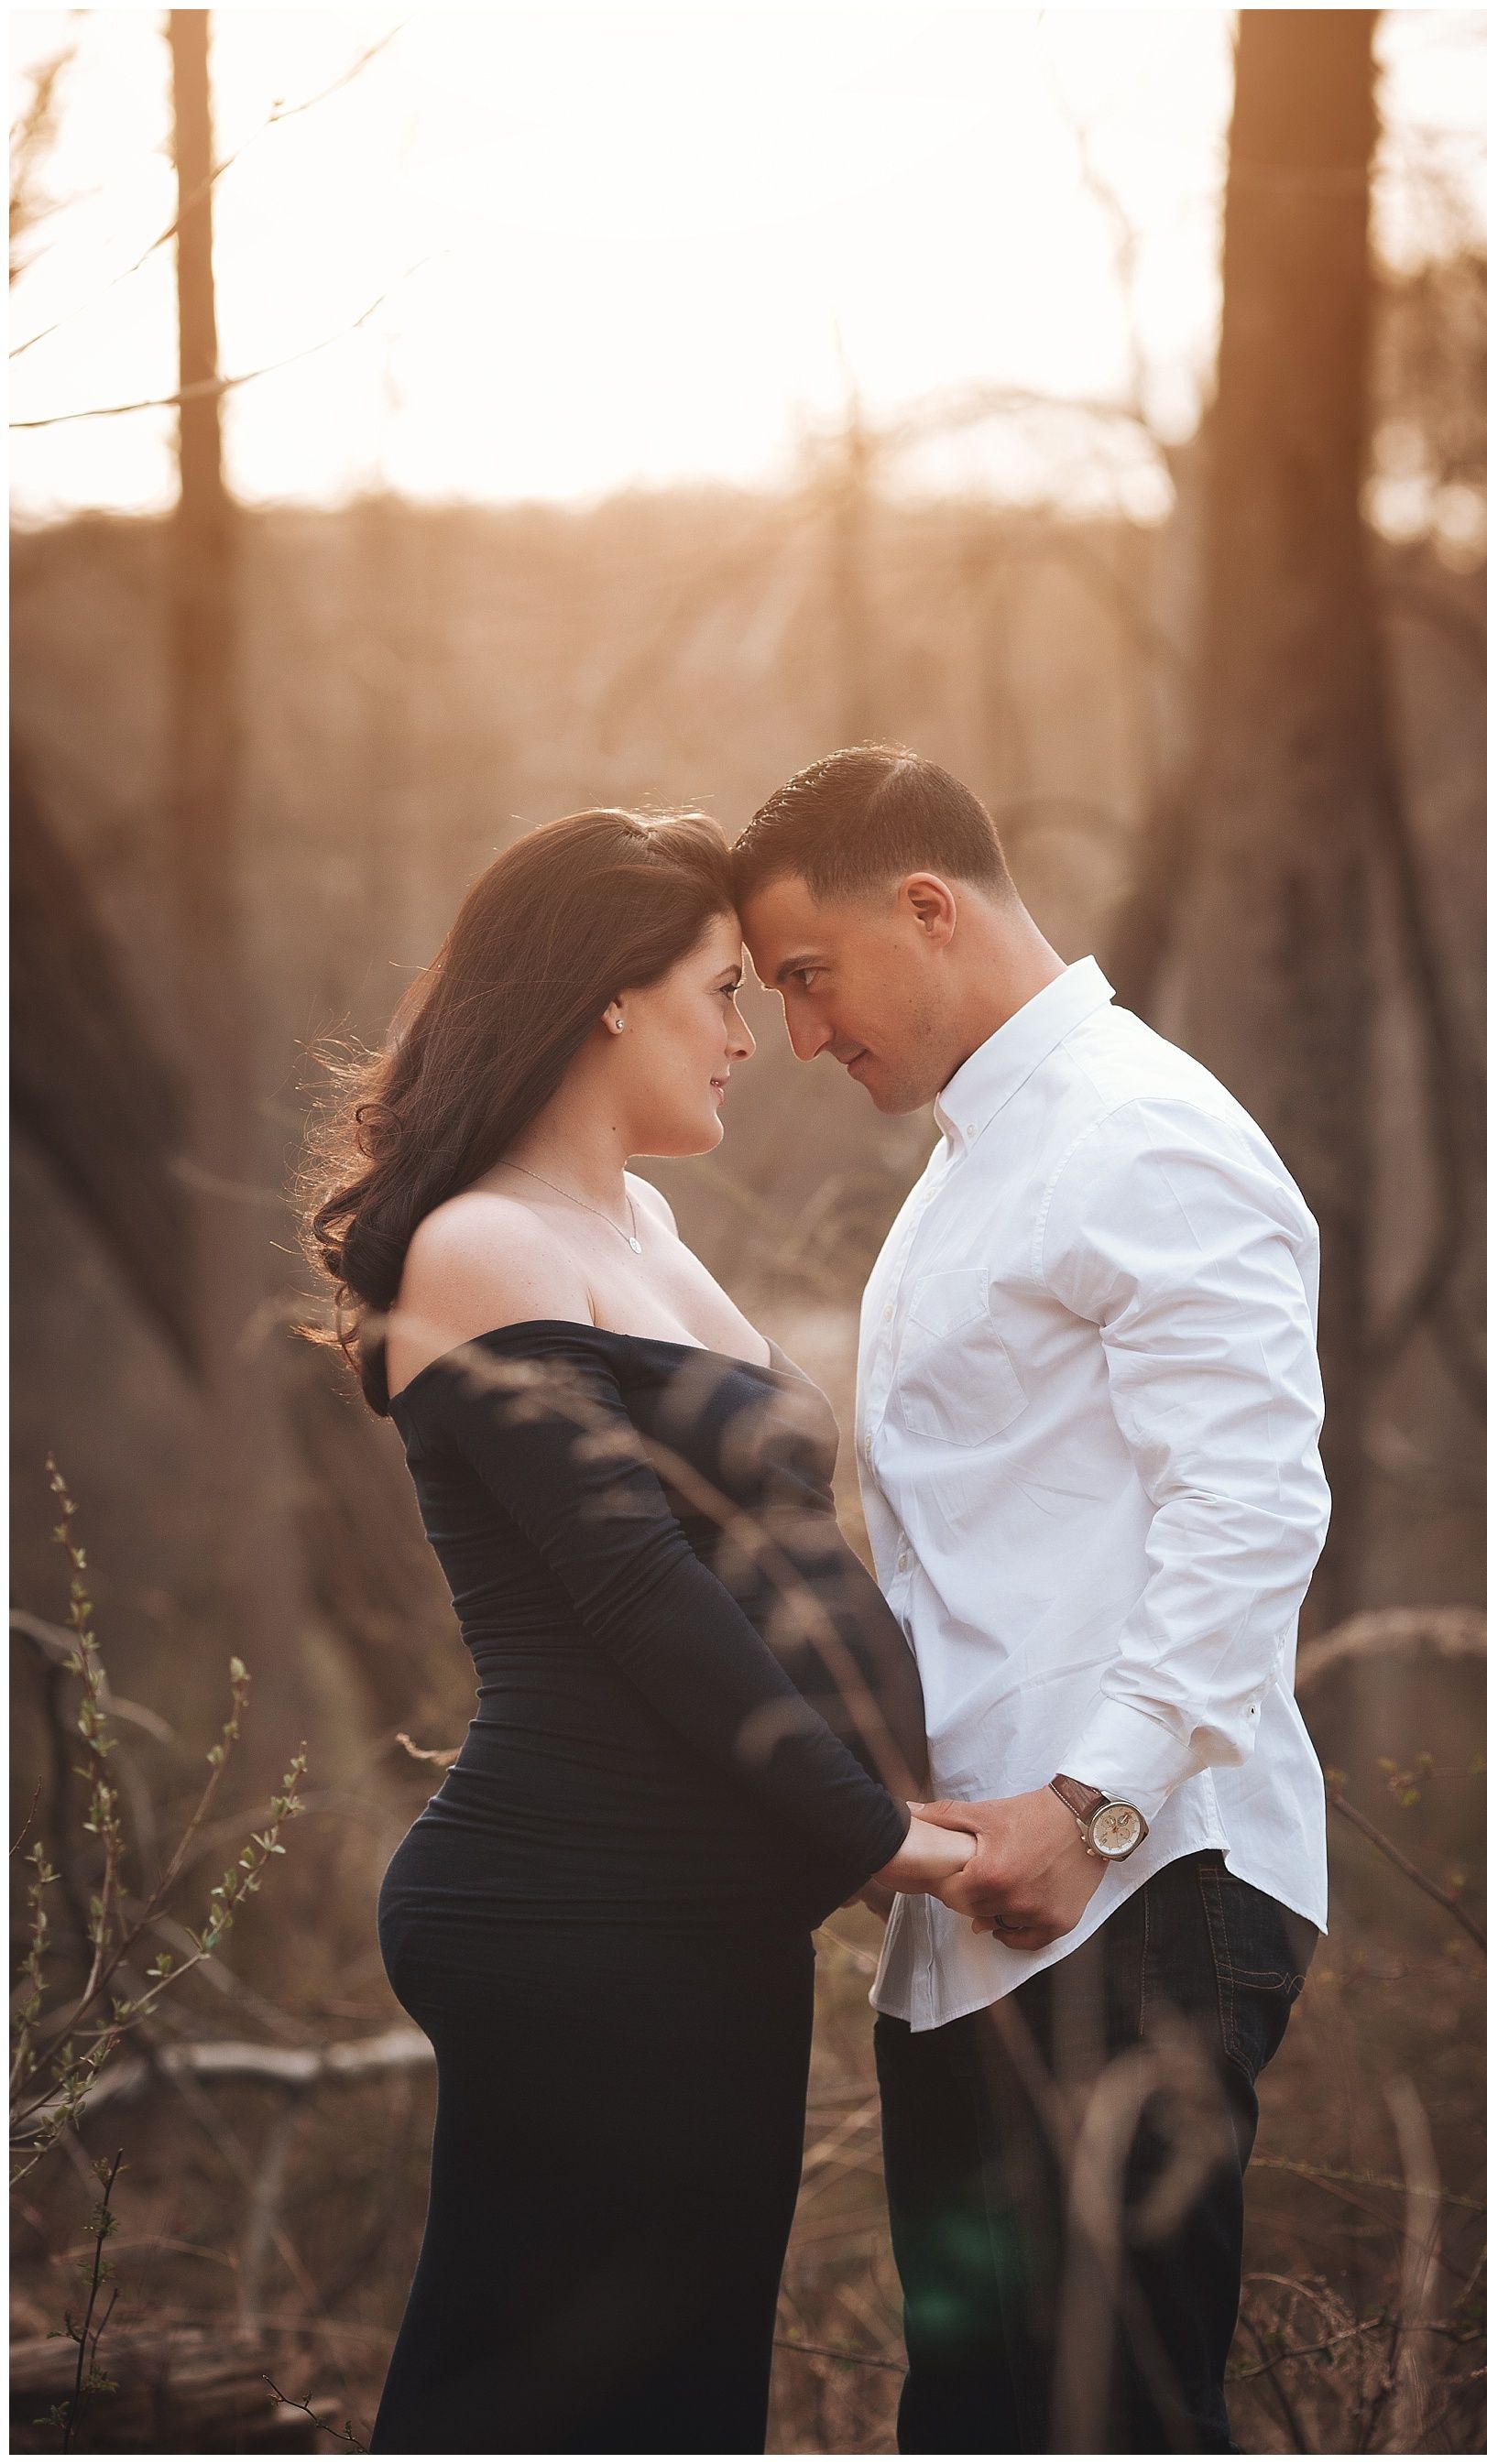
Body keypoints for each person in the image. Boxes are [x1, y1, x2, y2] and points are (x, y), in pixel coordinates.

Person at [300, 807, 972, 2455]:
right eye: (721, 992)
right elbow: (633, 1587)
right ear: (610, 996)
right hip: (566, 1911)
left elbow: (776, 1542)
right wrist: (871, 1828)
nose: (753, 1038)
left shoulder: (639, 1233)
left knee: (679, 2399)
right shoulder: (478, 1247)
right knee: (541, 2398)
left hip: (696, 1919)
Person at [734, 747, 1331, 2455]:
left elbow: (1255, 1501)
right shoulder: (975, 1158)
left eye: (807, 974)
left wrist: (1093, 1800)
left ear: (926, 906)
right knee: (987, 2423)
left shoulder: (1140, 1130)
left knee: (1115, 2421)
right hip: (992, 1921)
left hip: (1138, 1894)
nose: (799, 1034)